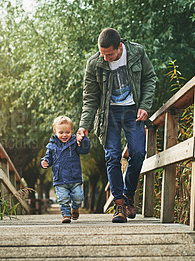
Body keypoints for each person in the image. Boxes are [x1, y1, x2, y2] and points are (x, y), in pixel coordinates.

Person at [77, 28, 156, 223]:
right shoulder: (94, 64)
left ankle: (128, 196)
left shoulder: (137, 52)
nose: (105, 58)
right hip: (108, 114)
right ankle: (119, 205)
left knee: (137, 153)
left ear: (119, 47)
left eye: (109, 54)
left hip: (133, 112)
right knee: (112, 156)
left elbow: (150, 78)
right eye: (102, 54)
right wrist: (83, 125)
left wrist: (145, 106)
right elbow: (90, 98)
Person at [41, 116, 90, 223]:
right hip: (60, 178)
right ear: (55, 131)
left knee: (78, 197)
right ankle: (66, 215)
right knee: (63, 199)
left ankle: (75, 208)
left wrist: (83, 139)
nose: (64, 135)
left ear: (72, 131)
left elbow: (85, 150)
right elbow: (48, 157)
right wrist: (45, 161)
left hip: (74, 177)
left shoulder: (75, 143)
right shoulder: (51, 145)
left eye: (67, 132)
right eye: (61, 132)